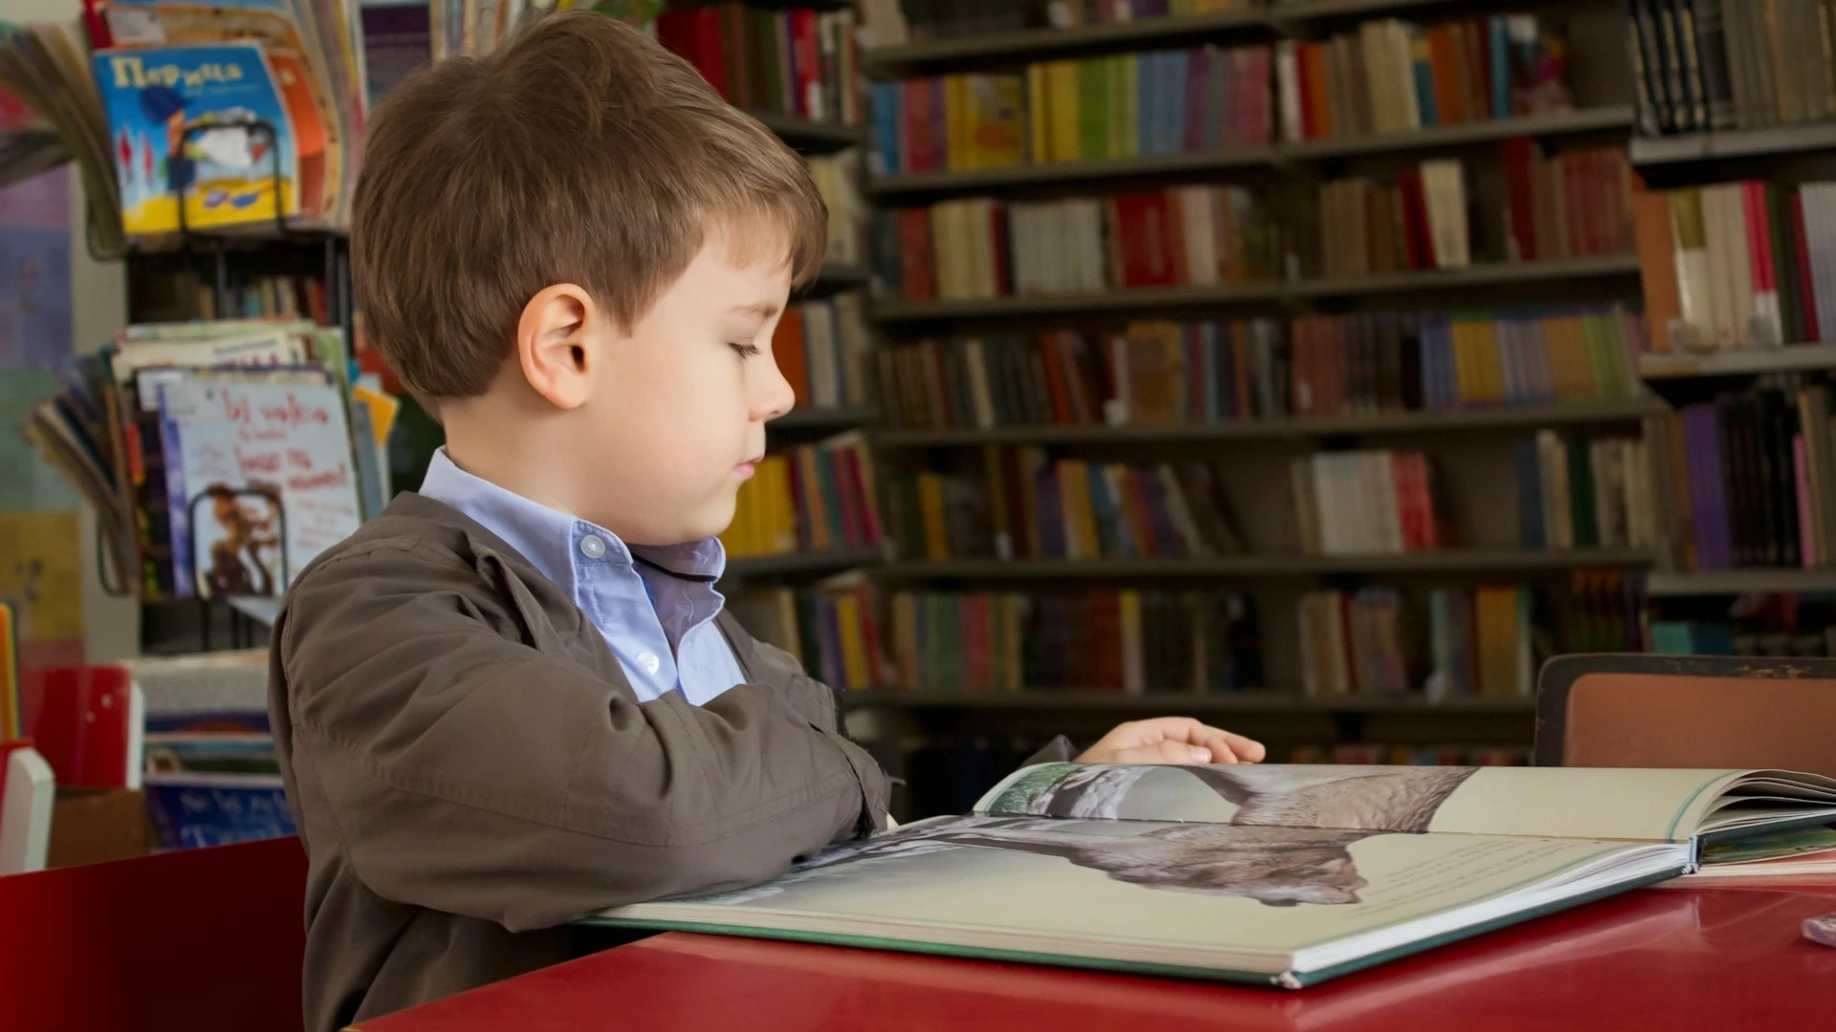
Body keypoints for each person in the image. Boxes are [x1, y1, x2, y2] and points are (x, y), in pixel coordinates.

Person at [266, 12, 1266, 1032]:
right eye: (743, 342)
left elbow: (822, 843)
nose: (779, 391)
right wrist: (836, 762)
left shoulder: (685, 612)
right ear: (567, 347)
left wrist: (1050, 804)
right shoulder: (371, 616)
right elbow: (658, 817)